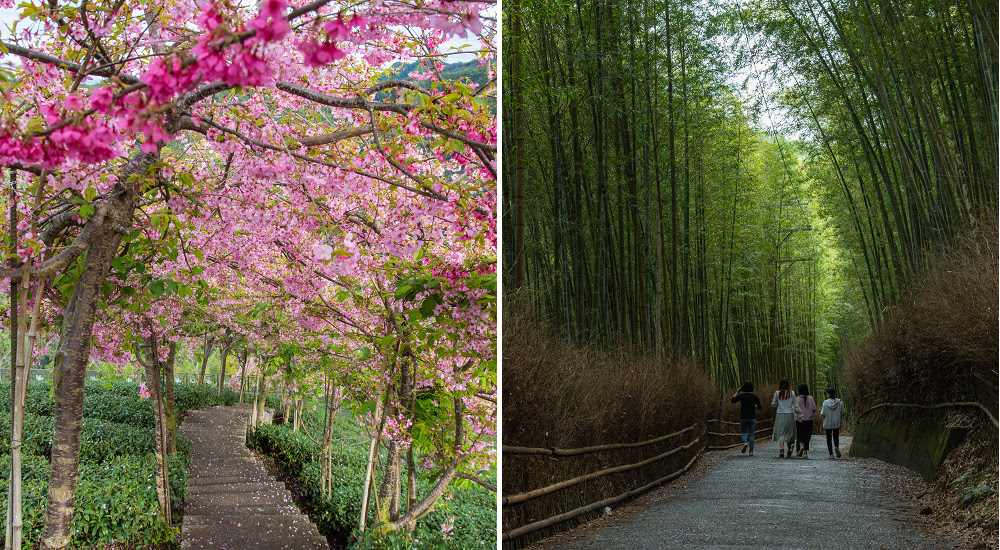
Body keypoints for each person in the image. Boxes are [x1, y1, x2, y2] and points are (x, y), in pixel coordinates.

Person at [771, 378, 801, 458]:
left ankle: (781, 448)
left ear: (780, 384)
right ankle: (789, 450)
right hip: (789, 414)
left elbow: (773, 404)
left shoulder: (777, 393)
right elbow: (796, 405)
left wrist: (776, 402)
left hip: (780, 414)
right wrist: (800, 413)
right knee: (789, 432)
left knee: (781, 432)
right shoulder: (792, 393)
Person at [731, 381, 763, 456]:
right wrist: (755, 406)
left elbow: (733, 400)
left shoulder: (741, 395)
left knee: (743, 432)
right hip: (752, 417)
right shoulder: (755, 396)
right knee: (751, 434)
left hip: (743, 417)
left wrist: (737, 392)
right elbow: (759, 407)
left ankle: (745, 443)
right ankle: (751, 451)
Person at [821, 387, 845, 458]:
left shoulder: (825, 402)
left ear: (828, 394)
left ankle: (831, 454)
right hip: (836, 422)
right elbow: (843, 412)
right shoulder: (839, 402)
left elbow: (822, 413)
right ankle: (836, 447)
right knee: (836, 436)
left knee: (828, 437)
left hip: (828, 422)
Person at [795, 383, 817, 458]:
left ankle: (801, 446)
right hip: (809, 420)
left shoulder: (797, 399)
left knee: (799, 435)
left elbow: (794, 409)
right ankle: (805, 453)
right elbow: (814, 408)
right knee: (807, 437)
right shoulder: (811, 398)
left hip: (799, 420)